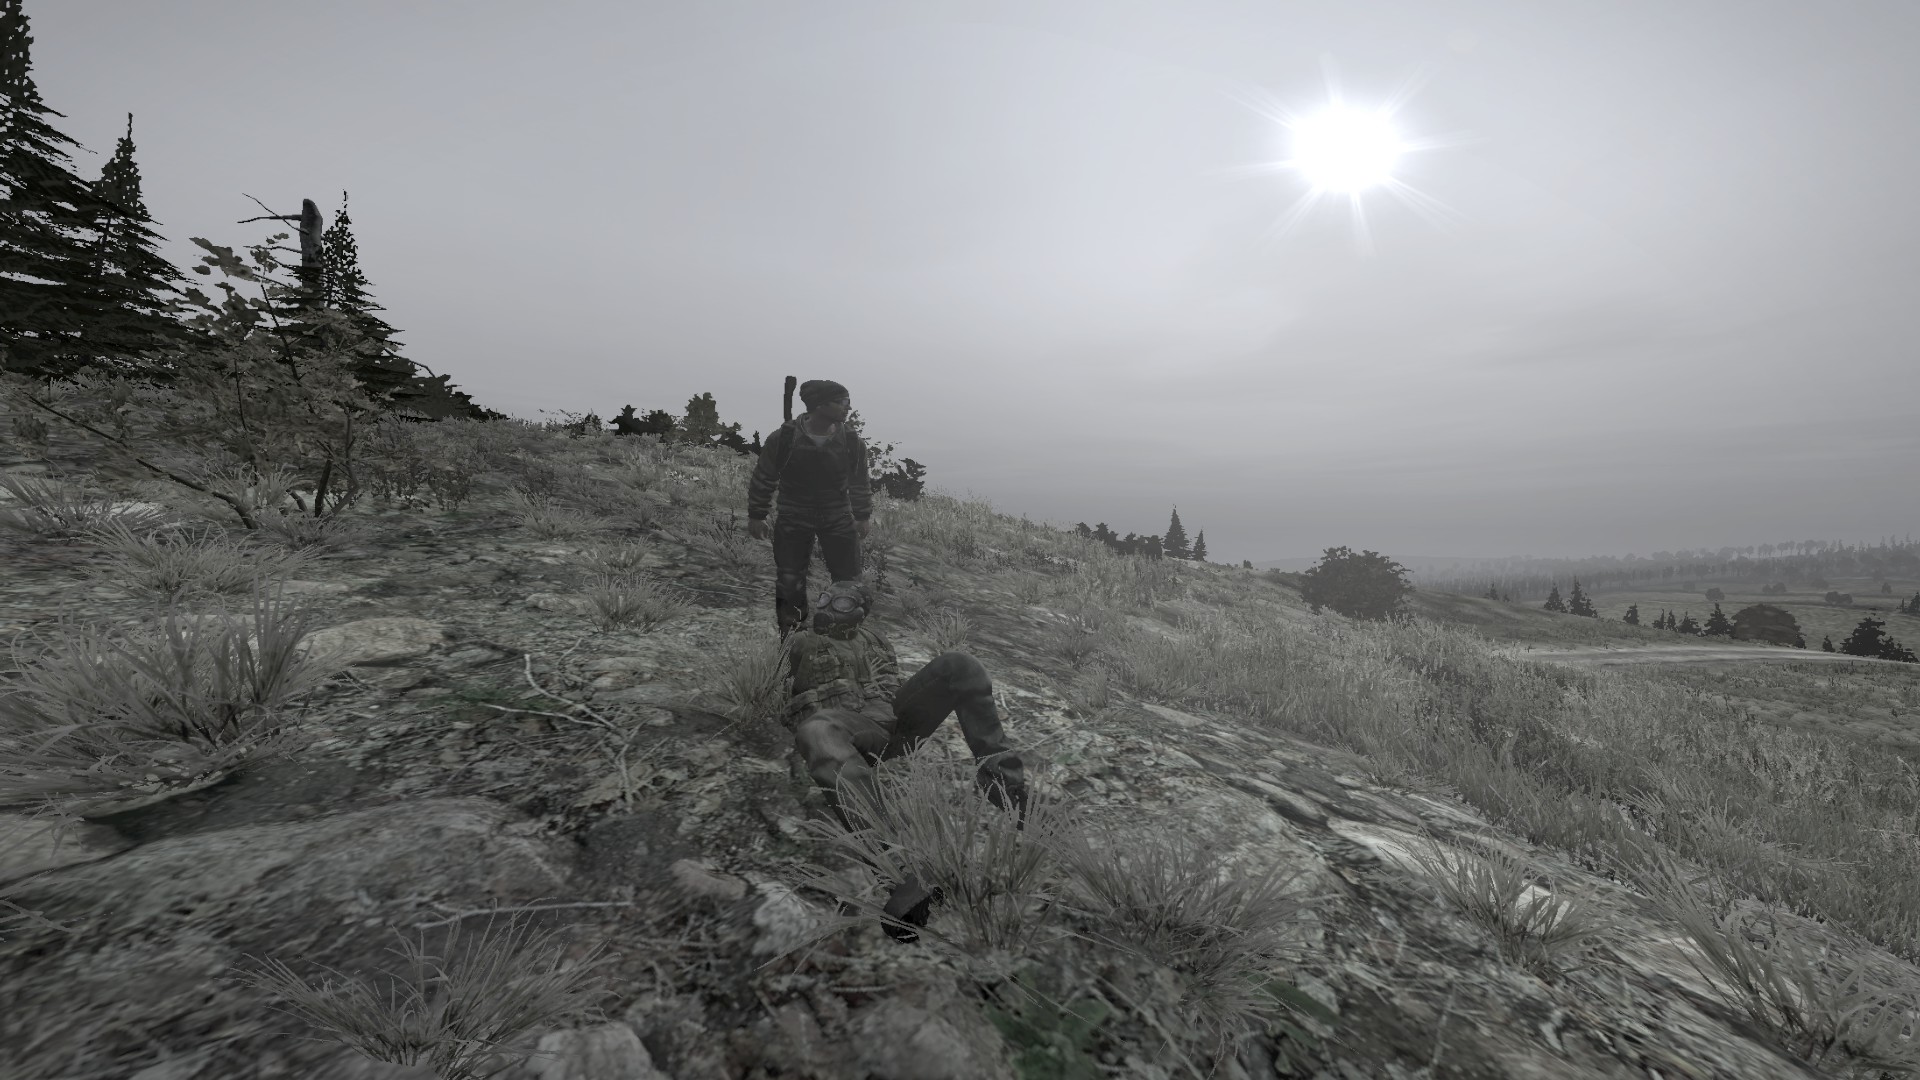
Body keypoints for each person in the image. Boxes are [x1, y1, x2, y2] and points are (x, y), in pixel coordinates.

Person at [783, 578, 1029, 941]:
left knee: (960, 664)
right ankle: (899, 869)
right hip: (842, 726)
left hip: (893, 723)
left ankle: (1009, 791)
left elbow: (891, 688)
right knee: (817, 729)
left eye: (841, 603)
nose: (827, 608)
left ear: (861, 611)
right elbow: (785, 687)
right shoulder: (801, 642)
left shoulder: (877, 640)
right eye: (823, 599)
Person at [745, 380, 871, 638]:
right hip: (793, 515)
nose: (848, 408)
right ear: (821, 405)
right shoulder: (784, 438)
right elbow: (764, 476)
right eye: (842, 402)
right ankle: (793, 639)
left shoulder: (851, 441)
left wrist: (862, 515)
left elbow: (859, 481)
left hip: (837, 515)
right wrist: (757, 514)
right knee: (790, 580)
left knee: (848, 581)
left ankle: (842, 633)